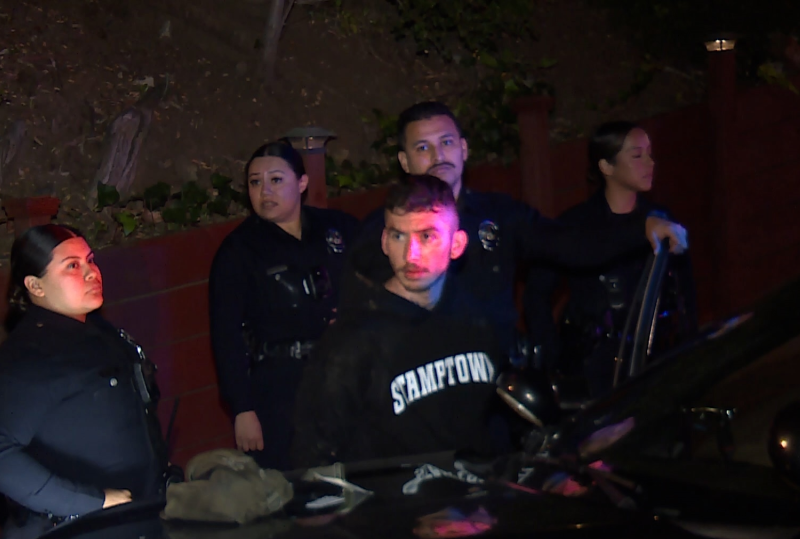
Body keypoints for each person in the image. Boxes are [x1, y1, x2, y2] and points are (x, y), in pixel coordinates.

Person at [343, 101, 689, 356]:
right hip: (422, 387)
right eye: (422, 148)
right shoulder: (381, 232)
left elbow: (573, 245)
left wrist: (641, 227)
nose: (438, 156)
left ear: (464, 149)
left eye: (447, 143)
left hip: (496, 385)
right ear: (404, 162)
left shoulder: (501, 215)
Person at [0, 224, 168, 539]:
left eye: (90, 260)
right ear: (35, 286)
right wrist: (94, 502)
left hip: (134, 526)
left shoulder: (102, 333)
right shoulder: (24, 358)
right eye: (72, 266)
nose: (91, 272)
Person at [289, 175, 504, 468]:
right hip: (393, 508)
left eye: (427, 236)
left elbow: (499, 426)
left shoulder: (479, 320)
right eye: (398, 236)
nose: (410, 255)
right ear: (384, 242)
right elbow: (313, 450)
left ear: (456, 245)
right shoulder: (353, 339)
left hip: (477, 502)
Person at [209, 140, 359, 470]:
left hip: (345, 374)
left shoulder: (337, 228)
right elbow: (226, 334)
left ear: (302, 183)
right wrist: (242, 409)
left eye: (276, 180)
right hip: (281, 386)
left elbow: (380, 278)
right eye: (255, 182)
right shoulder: (239, 251)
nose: (265, 191)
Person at [523, 121, 698, 400]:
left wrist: (689, 352)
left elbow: (685, 293)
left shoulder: (661, 219)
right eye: (637, 155)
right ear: (606, 166)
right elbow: (536, 294)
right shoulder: (576, 225)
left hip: (655, 361)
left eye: (650, 154)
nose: (649, 163)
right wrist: (553, 359)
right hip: (595, 373)